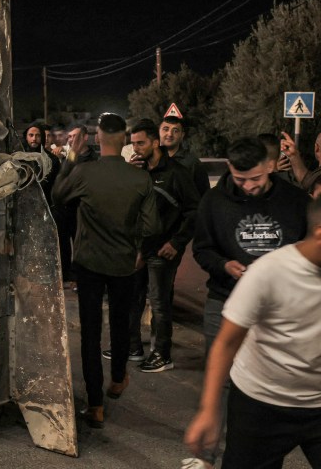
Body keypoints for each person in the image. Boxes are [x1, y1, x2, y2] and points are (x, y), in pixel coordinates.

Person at [188, 136, 309, 468]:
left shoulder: (295, 200)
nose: (249, 186)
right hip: (225, 300)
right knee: (221, 378)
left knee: (275, 380)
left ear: (270, 166)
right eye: (241, 180)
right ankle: (207, 454)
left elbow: (307, 248)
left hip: (281, 308)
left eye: (255, 178)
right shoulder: (212, 202)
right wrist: (224, 265)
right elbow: (202, 249)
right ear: (229, 168)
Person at [52, 113, 158, 429]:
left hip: (88, 264)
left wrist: (71, 156)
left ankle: (95, 406)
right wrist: (137, 245)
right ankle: (117, 378)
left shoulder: (85, 172)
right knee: (121, 321)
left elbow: (58, 195)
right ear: (124, 139)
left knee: (90, 331)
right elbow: (152, 225)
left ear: (98, 138)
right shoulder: (140, 179)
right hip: (124, 262)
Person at [115, 119, 199, 373]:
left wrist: (177, 242)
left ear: (155, 142)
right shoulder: (138, 171)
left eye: (140, 143)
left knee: (159, 303)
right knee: (133, 298)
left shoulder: (177, 173)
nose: (136, 148)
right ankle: (133, 348)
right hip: (139, 248)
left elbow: (194, 211)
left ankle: (162, 354)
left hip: (163, 250)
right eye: (133, 144)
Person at [52, 122, 97, 288]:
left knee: (81, 245)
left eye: (75, 136)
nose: (71, 140)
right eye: (69, 136)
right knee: (63, 245)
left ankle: (79, 277)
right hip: (65, 209)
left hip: (82, 209)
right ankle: (65, 277)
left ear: (85, 137)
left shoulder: (93, 159)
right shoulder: (68, 156)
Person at [159, 116, 209, 197]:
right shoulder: (150, 160)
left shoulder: (192, 163)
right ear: (158, 132)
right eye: (165, 129)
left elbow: (204, 196)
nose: (170, 134)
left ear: (182, 135)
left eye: (175, 131)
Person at [24, 121, 61, 203]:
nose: (34, 139)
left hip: (45, 203)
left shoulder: (52, 159)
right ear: (26, 137)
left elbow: (56, 186)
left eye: (38, 136)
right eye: (31, 135)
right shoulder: (19, 158)